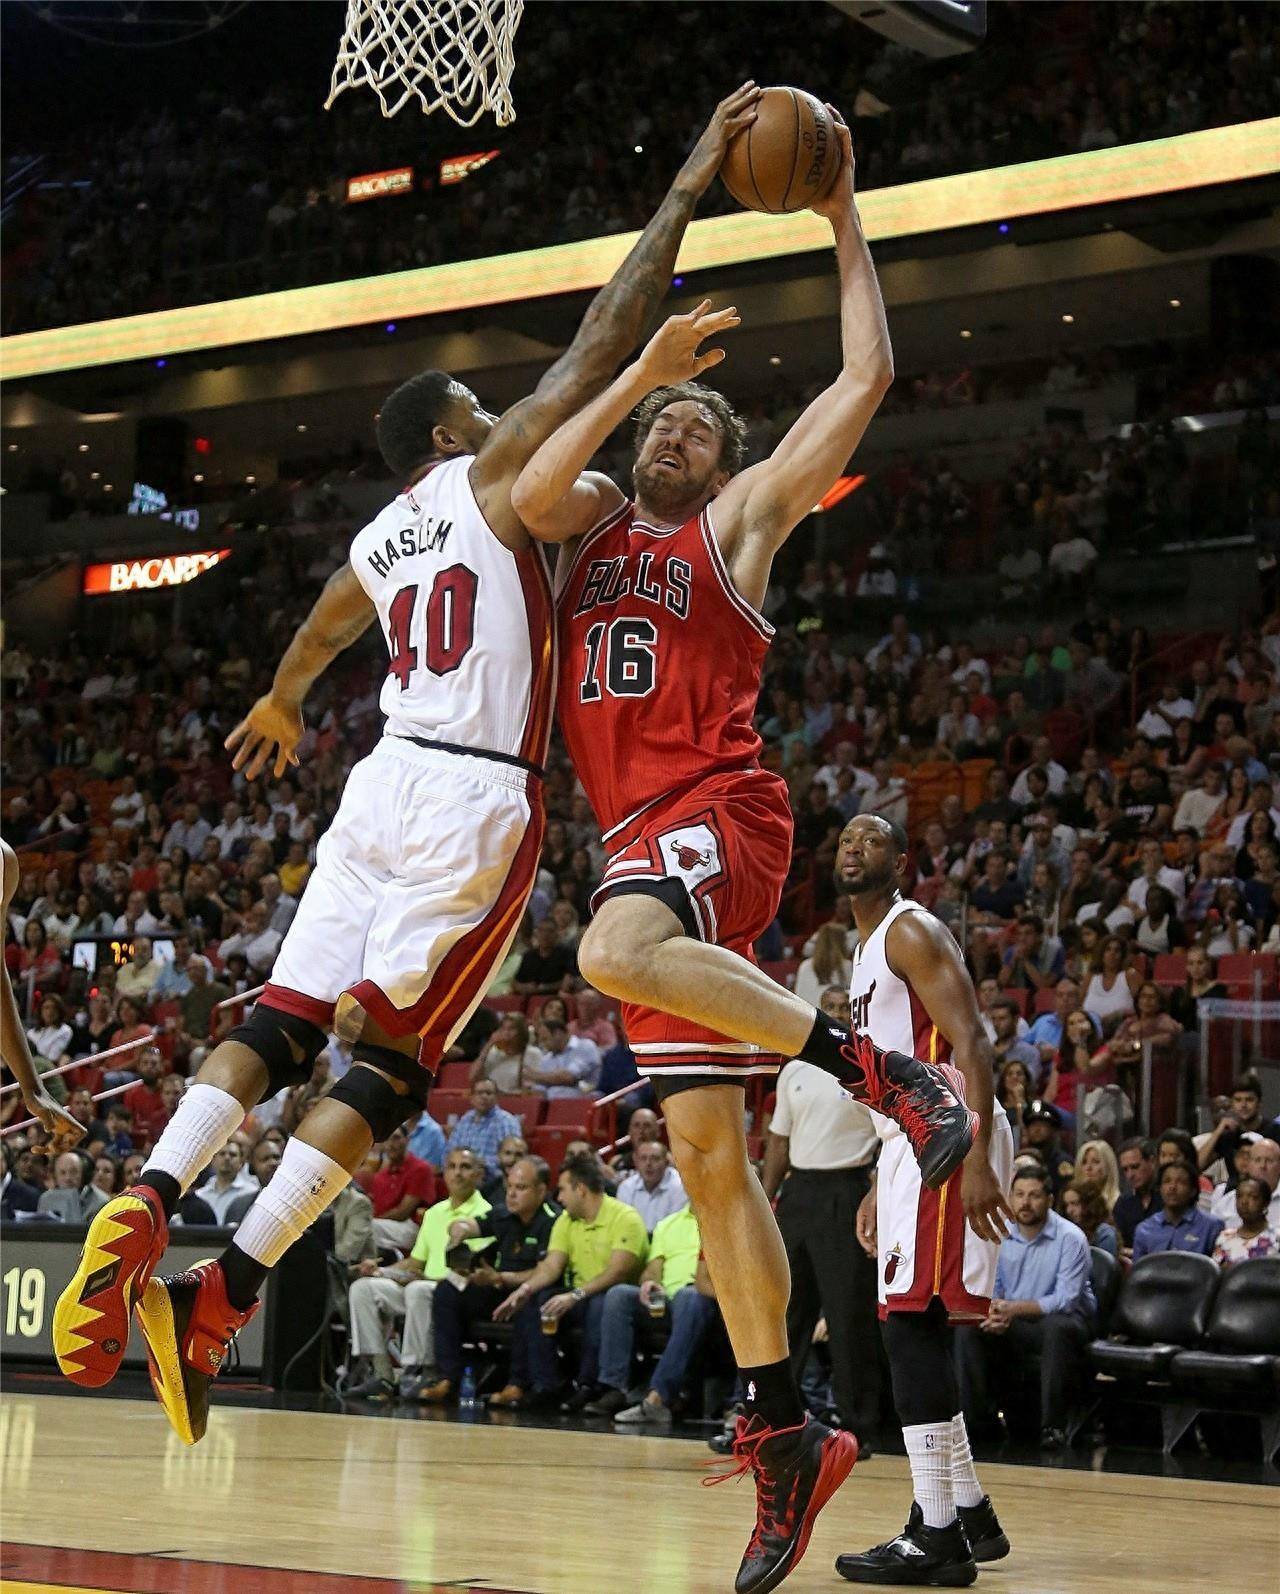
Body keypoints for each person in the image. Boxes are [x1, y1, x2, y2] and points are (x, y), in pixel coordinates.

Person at [50, 86, 758, 1443]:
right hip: (476, 789)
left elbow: (328, 607)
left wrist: (279, 693)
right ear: (452, 433)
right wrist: (676, 213)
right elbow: (601, 339)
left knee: (283, 1012)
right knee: (388, 1068)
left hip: (374, 778)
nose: (503, 412)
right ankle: (226, 1289)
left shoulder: (391, 529)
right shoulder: (491, 474)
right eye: (483, 406)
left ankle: (148, 1192)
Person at [512, 117, 976, 1591]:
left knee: (608, 950)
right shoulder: (583, 529)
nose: (678, 437)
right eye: (665, 425)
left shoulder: (736, 524)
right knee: (711, 1160)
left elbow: (865, 380)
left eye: (702, 427)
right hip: (635, 842)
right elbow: (527, 484)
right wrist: (642, 370)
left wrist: (842, 216)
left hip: (723, 811)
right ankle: (789, 1433)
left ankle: (876, 1072)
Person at [835, 815, 1014, 1588]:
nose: (853, 847)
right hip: (911, 1142)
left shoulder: (911, 932)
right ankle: (964, 1510)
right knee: (918, 1324)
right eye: (844, 837)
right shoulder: (865, 952)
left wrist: (971, 1151)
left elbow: (974, 1040)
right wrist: (882, 1175)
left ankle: (936, 1532)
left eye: (872, 840)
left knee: (913, 1327)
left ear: (900, 863)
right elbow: (886, 1083)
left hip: (948, 1131)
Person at [762, 1052, 883, 1438]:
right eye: (826, 1007)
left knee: (848, 1315)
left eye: (840, 1008)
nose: (834, 1013)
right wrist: (765, 1201)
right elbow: (778, 1143)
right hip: (798, 1192)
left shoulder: (870, 1071)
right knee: (787, 1310)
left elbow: (892, 1140)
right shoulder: (794, 1071)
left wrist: (877, 1191)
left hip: (848, 1188)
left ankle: (857, 1426)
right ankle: (774, 1421)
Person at [954, 1167, 1096, 1450]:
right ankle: (979, 1424)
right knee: (968, 1329)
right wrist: (994, 1312)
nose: (1025, 1203)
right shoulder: (1001, 1234)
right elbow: (993, 1287)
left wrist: (1011, 1309)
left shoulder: (1071, 1237)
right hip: (1015, 1319)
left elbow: (1066, 1300)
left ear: (1050, 1200)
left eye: (1034, 1196)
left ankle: (1052, 1427)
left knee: (1058, 1329)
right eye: (1018, 1195)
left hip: (1064, 1321)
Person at [493, 1150, 648, 1410]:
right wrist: (525, 1289)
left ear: (581, 1189)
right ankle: (546, 1385)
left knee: (602, 1302)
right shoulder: (567, 1220)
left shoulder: (625, 1217)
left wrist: (575, 1295)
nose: (560, 1198)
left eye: (563, 1190)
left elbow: (617, 1272)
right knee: (539, 1301)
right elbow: (552, 1266)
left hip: (616, 1299)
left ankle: (589, 1386)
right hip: (581, 1296)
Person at [345, 1147, 490, 1401]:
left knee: (418, 1290)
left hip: (453, 1293)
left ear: (479, 1175)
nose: (457, 1173)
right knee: (364, 1287)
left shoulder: (484, 1215)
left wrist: (423, 1279)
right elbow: (415, 1262)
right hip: (420, 1286)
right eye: (452, 1166)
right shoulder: (434, 1213)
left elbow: (471, 1268)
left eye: (465, 1167)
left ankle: (420, 1371)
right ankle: (381, 1373)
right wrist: (382, 1271)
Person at [418, 1154, 559, 1405]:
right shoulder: (504, 1214)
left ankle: (517, 1384)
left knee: (529, 1304)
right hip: (499, 1286)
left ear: (541, 1191)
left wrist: (501, 1278)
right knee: (446, 1292)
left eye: (521, 1188)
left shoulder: (553, 1220)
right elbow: (471, 1224)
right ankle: (448, 1377)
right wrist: (458, 1231)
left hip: (532, 1291)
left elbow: (545, 1272)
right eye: (510, 1187)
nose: (512, 1194)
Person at [585, 1201, 718, 1425]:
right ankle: (614, 1387)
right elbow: (652, 1270)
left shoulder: (724, 1221)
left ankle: (658, 1397)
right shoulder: (668, 1224)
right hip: (667, 1300)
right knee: (619, 1295)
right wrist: (650, 1283)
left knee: (690, 1296)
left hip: (707, 1301)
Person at [1132, 1160, 1223, 1260]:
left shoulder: (1212, 1226)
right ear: (1160, 1188)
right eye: (1167, 1181)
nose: (1172, 1187)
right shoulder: (1144, 1229)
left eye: (1181, 1182)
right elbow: (1138, 1272)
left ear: (1193, 1190)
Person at [365, 1124, 438, 1251]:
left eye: (396, 1138)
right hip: (382, 1225)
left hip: (410, 1227)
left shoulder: (420, 1169)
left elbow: (402, 1213)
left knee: (363, 1228)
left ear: (407, 1140)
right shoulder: (381, 1175)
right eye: (387, 1139)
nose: (391, 1144)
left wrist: (371, 1220)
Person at [444, 1079, 522, 1182]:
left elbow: (513, 1158)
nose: (484, 1096)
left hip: (492, 1182)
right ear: (472, 1097)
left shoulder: (507, 1122)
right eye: (479, 1093)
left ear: (496, 1097)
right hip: (462, 1178)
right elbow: (449, 1151)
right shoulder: (465, 1120)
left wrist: (480, 1164)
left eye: (489, 1093)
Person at [616, 1139, 688, 1232]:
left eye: (655, 1158)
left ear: (666, 1162)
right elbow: (622, 1225)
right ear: (636, 1162)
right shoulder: (626, 1187)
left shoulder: (680, 1187)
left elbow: (676, 1228)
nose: (648, 1164)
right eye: (643, 1158)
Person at [1212, 1175, 1280, 1266]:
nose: (1244, 1202)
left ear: (1265, 1202)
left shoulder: (1276, 1237)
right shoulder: (1224, 1237)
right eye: (1239, 1196)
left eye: (1253, 1197)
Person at [1114, 1137, 1160, 1250]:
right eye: (1125, 1169)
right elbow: (1119, 1246)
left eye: (1135, 1167)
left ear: (1152, 1161)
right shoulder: (1123, 1203)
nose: (1130, 1175)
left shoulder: (1169, 1198)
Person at [38, 1151, 110, 1223]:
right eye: (62, 1173)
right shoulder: (46, 1199)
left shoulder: (101, 1202)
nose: (68, 1178)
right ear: (55, 1176)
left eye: (73, 1172)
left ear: (83, 1174)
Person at [1060, 1180, 1120, 1258]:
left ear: (1089, 1204)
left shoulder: (1104, 1233)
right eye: (1066, 1205)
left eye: (1074, 1204)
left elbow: (1102, 1268)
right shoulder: (1069, 1231)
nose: (1069, 1210)